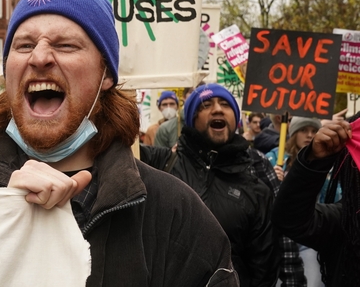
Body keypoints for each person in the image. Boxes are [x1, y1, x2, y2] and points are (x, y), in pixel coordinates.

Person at [0, 0, 237, 286]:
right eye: (23, 45)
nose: (39, 57)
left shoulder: (172, 212)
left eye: (65, 45)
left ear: (106, 74)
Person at [141, 84, 280, 286]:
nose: (217, 109)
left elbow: (264, 269)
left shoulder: (256, 188)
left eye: (225, 104)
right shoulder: (161, 164)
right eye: (206, 105)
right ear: (191, 118)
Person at [273, 113, 358, 286]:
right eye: (304, 130)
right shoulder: (348, 221)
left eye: (313, 129)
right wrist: (314, 161)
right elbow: (290, 218)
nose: (309, 135)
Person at [265, 116, 321, 181]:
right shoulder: (274, 158)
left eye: (314, 131)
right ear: (294, 134)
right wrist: (272, 180)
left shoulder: (322, 161)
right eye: (303, 130)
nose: (309, 135)